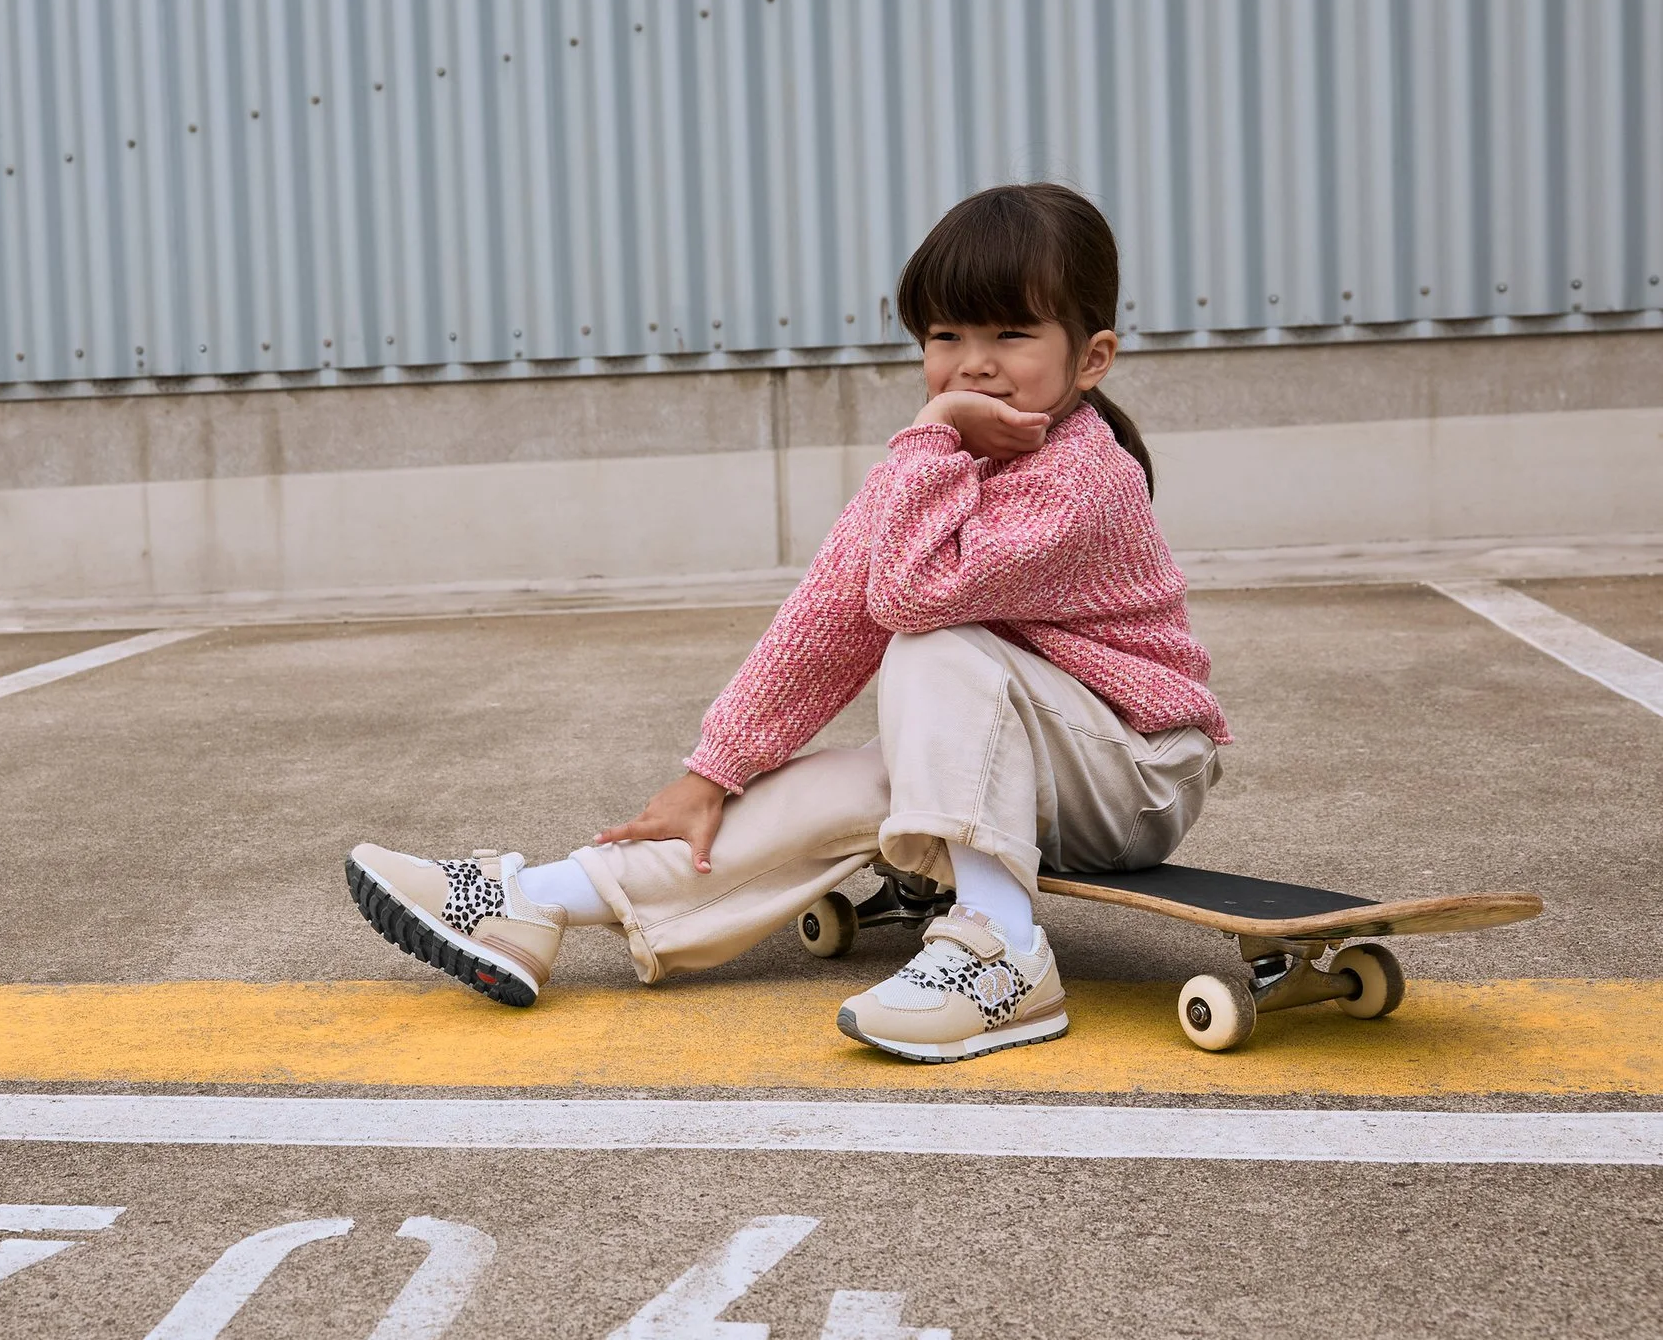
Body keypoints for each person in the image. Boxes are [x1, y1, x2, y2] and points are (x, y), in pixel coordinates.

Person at [343, 183, 1230, 1063]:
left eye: (1011, 334)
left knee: (935, 643)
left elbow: (915, 597)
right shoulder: (940, 462)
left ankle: (1001, 955)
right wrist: (713, 770)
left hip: (1136, 771)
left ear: (1092, 357)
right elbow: (831, 614)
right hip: (1027, 764)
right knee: (825, 790)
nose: (973, 364)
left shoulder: (1084, 479)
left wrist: (928, 432)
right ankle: (535, 905)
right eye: (946, 336)